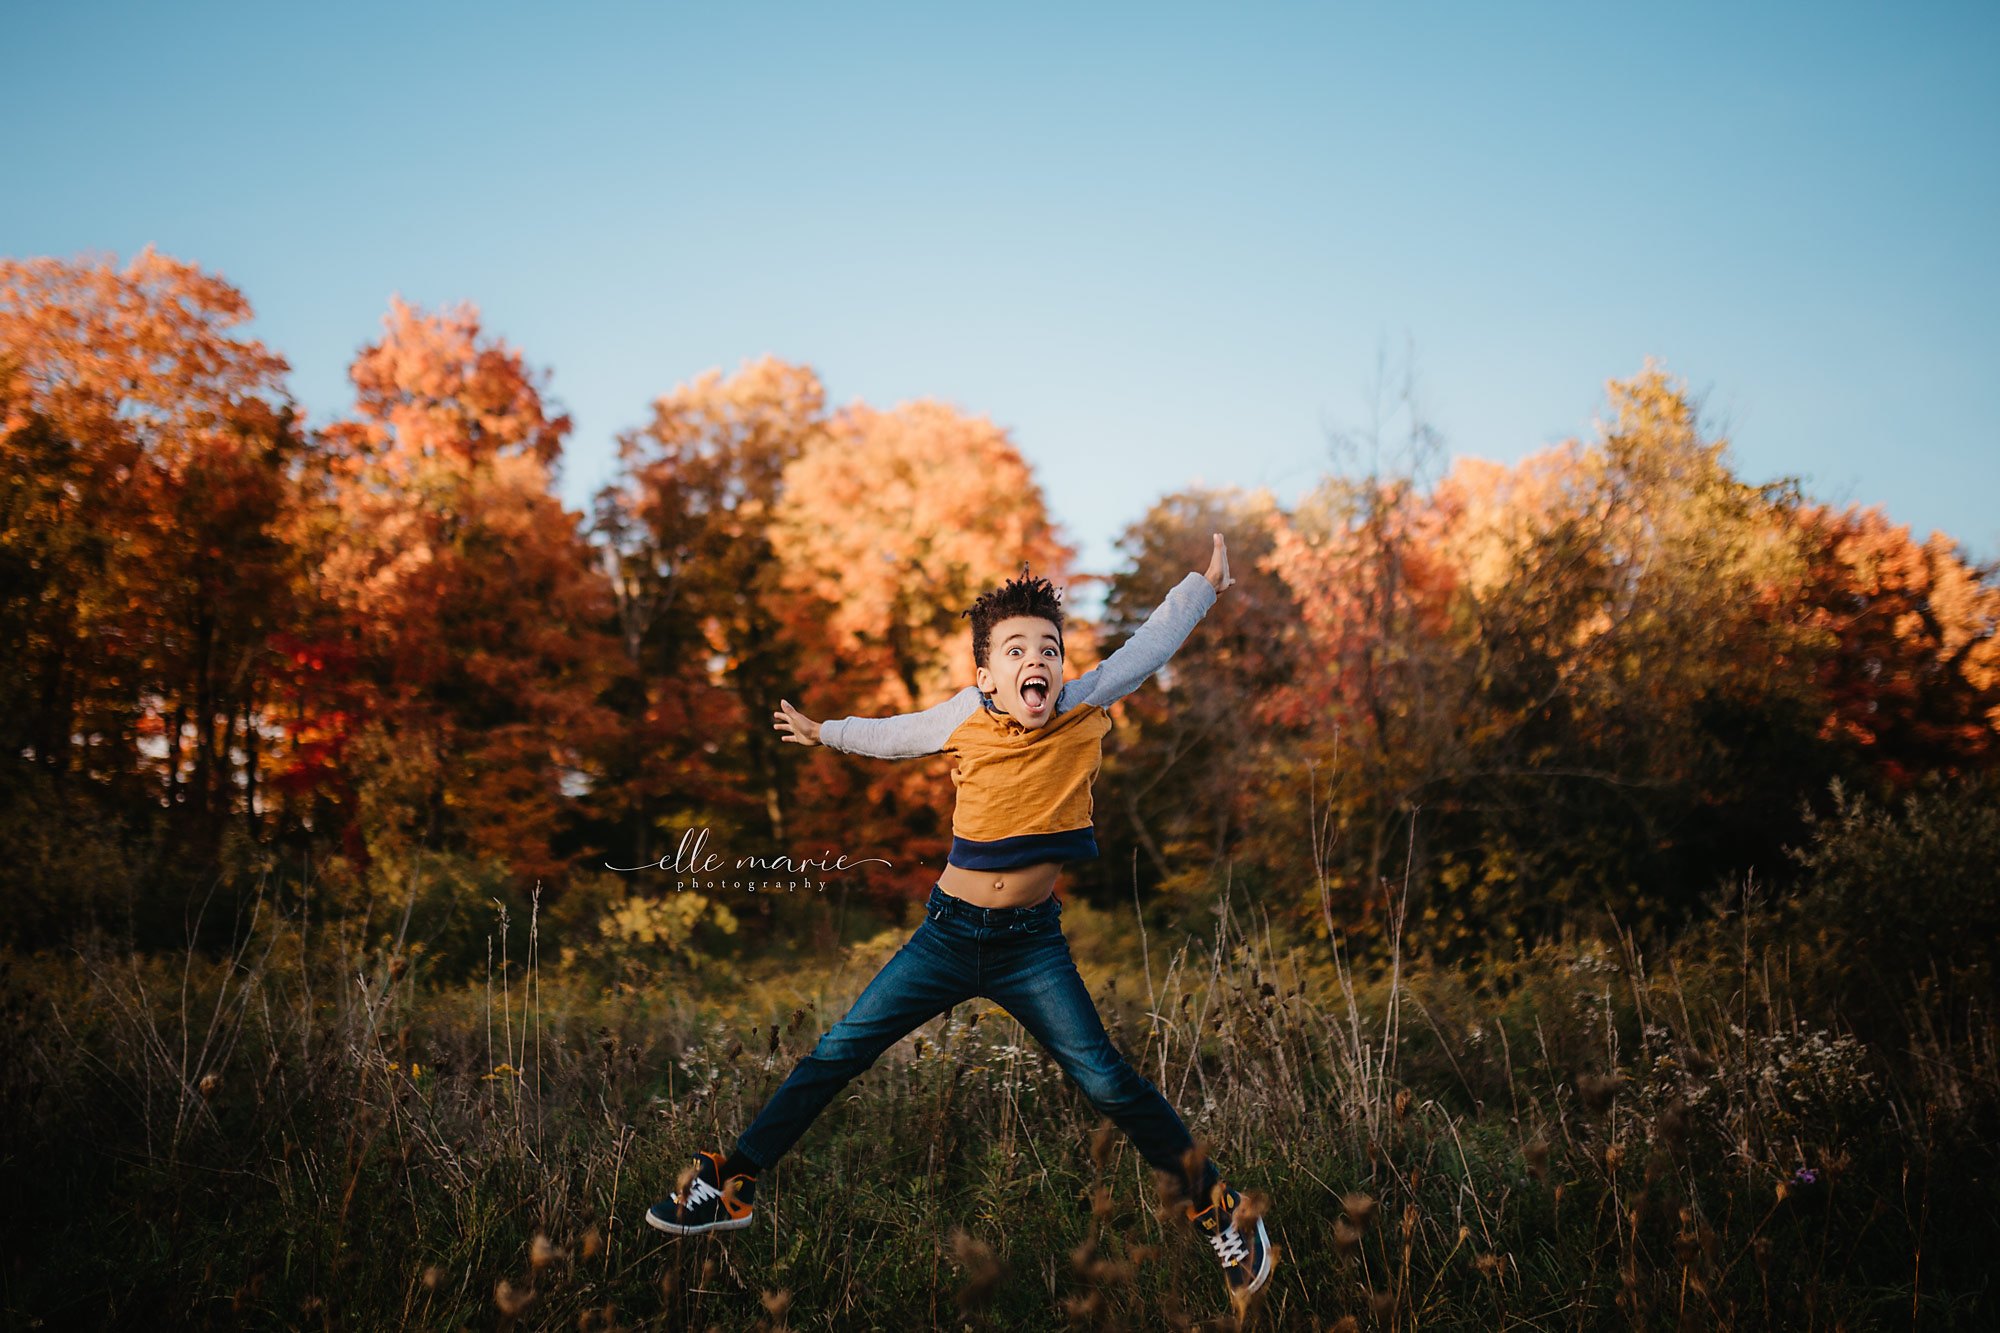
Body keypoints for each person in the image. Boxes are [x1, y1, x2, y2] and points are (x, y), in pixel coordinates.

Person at [645, 535, 1274, 1297]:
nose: (1034, 659)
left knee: (1107, 1083)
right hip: (946, 937)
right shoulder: (962, 716)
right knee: (838, 1053)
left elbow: (1149, 645)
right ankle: (731, 1183)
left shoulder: (1086, 702)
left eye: (1047, 647)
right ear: (987, 676)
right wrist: (825, 731)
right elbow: (892, 732)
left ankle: (1223, 1210)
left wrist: (1203, 586)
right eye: (1014, 650)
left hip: (1030, 947)